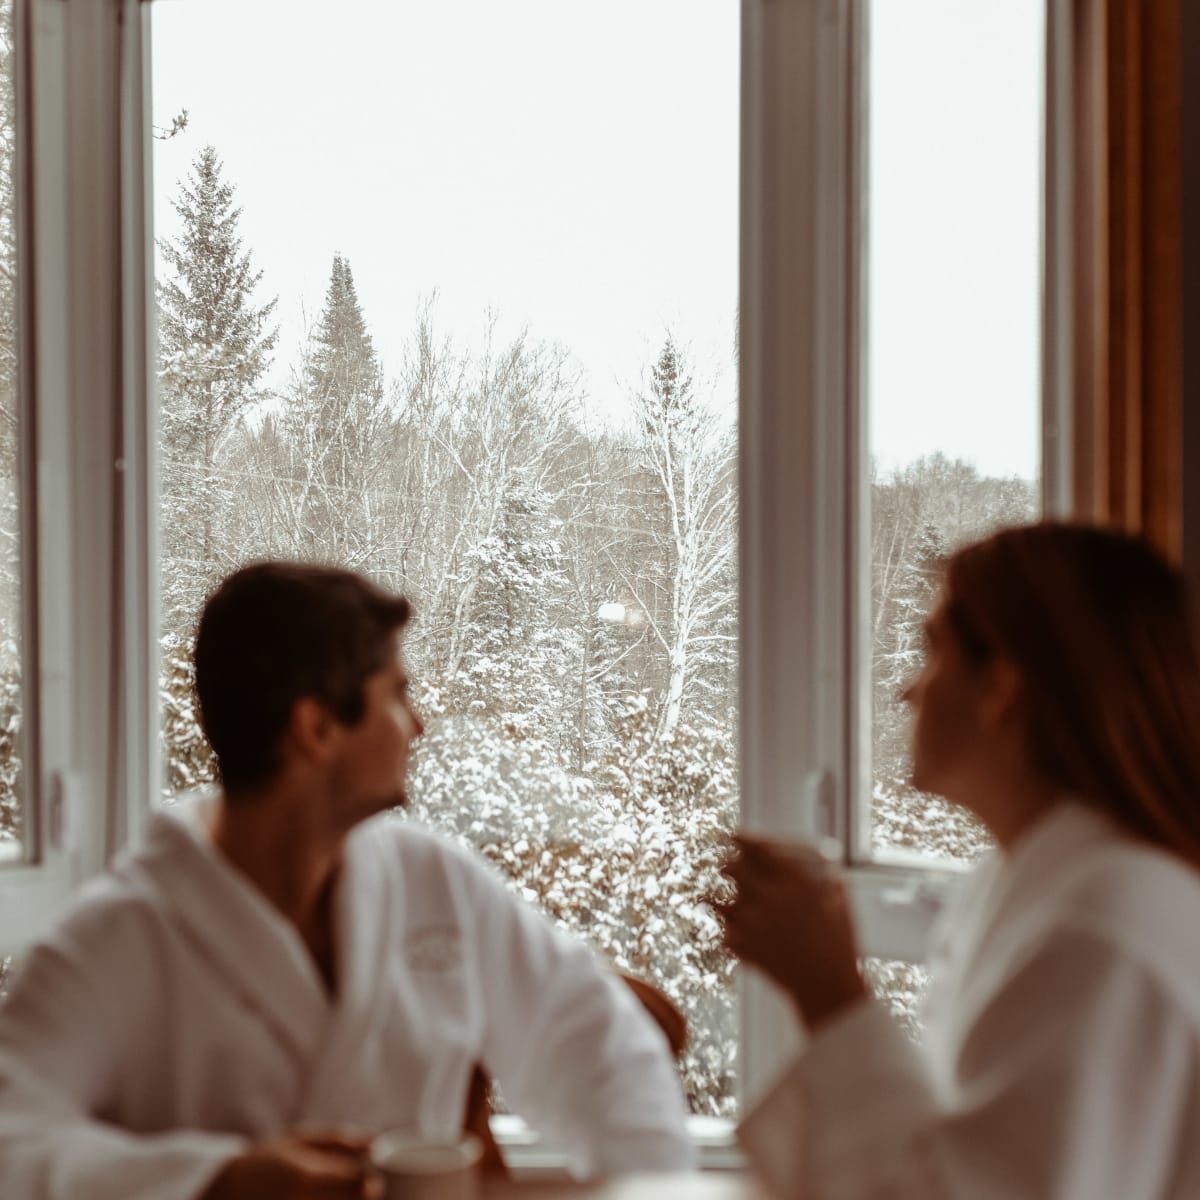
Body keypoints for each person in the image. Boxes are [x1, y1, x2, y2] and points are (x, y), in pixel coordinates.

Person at [0, 562, 693, 1200]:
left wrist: (648, 1187)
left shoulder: (433, 880)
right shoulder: (125, 931)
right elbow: (12, 1136)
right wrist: (218, 1178)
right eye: (397, 694)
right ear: (317, 728)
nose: (417, 724)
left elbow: (601, 1043)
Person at [722, 522, 1200, 1199]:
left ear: (1001, 688)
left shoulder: (1099, 936)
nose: (908, 693)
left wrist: (829, 993)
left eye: (932, 653)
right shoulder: (1027, 888)